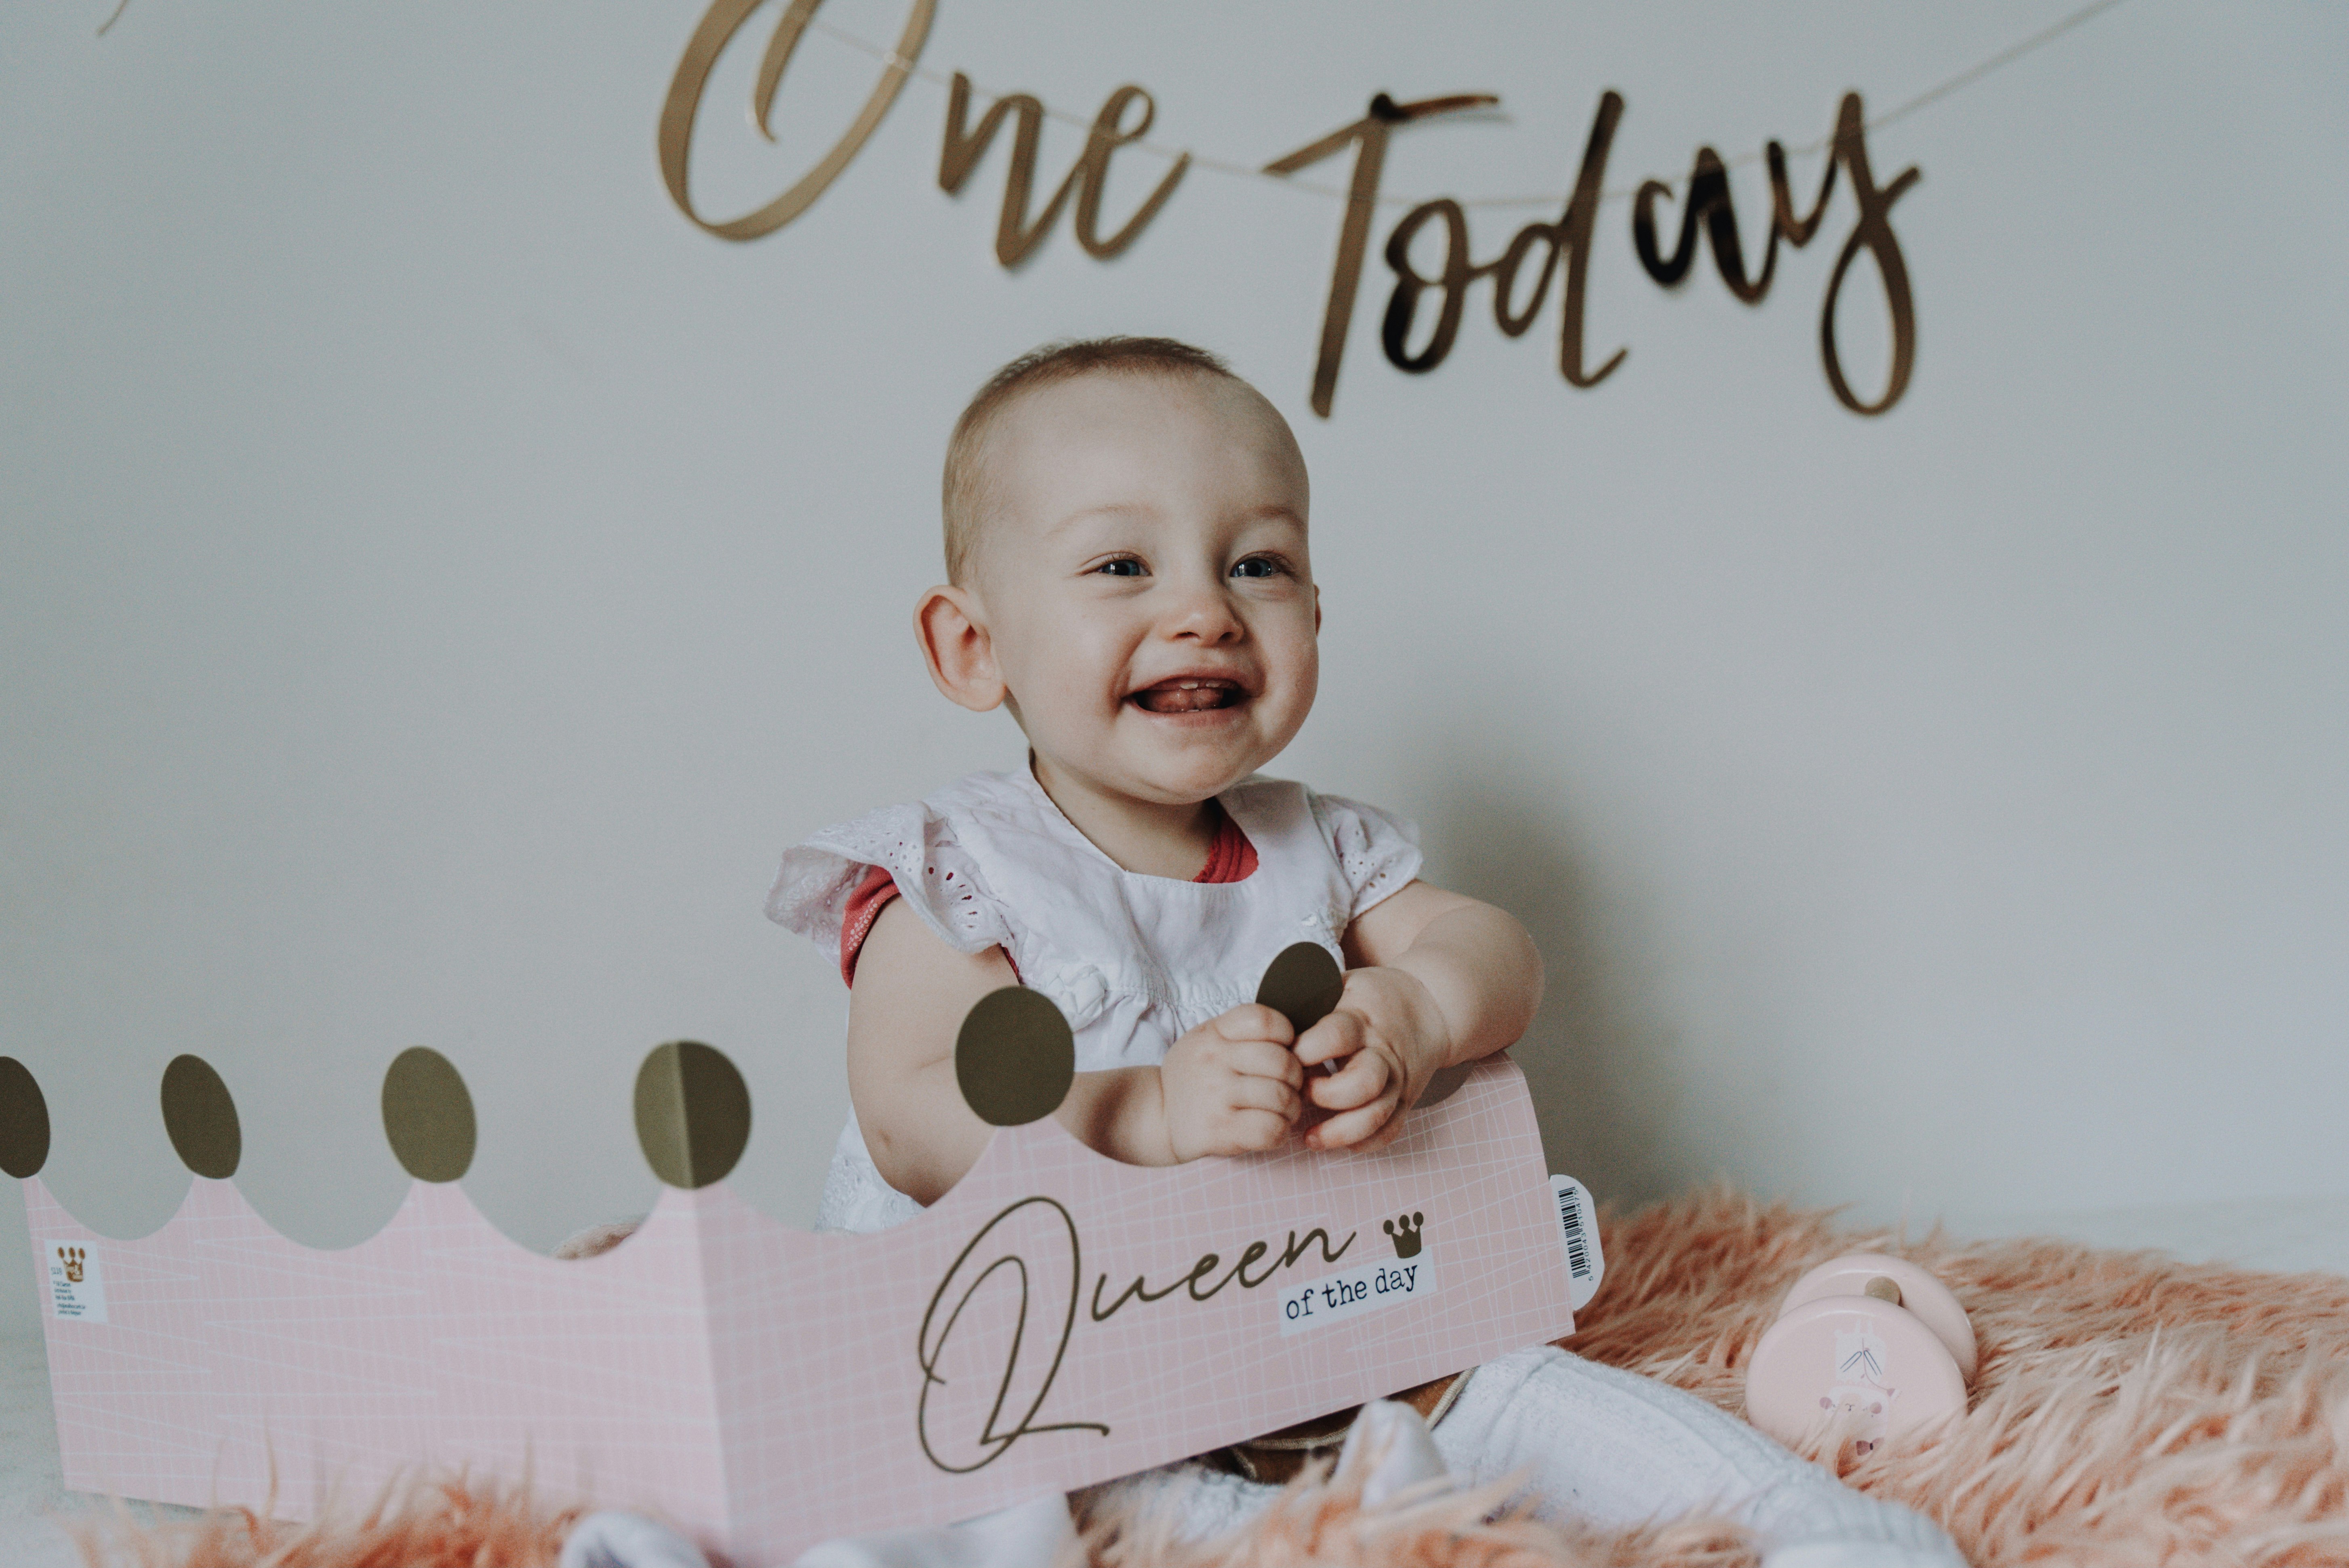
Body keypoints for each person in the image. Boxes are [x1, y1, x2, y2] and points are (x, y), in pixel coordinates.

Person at [760, 338, 1966, 1568]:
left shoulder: (1315, 846)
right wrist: (1146, 1112)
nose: (1203, 608)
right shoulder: (964, 868)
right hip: (1039, 1363)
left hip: (1323, 1321)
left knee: (1512, 1385)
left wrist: (1420, 1008)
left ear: (1316, 613)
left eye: (1258, 562)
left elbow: (1496, 952)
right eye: (1123, 563)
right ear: (975, 647)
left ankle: (1822, 1529)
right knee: (1018, 1511)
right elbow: (913, 1110)